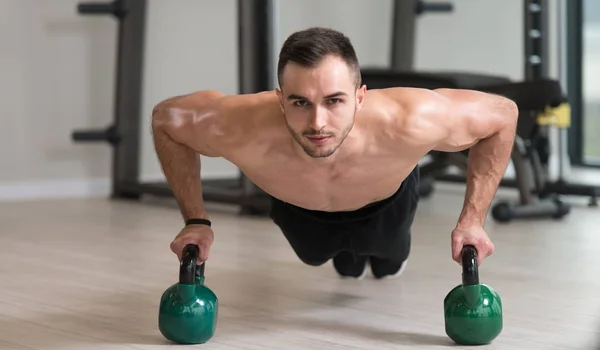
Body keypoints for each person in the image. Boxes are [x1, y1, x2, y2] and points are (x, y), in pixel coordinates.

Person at [151, 27, 518, 279]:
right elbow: (167, 119)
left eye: (334, 101)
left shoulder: (410, 119)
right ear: (279, 100)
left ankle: (380, 258)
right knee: (320, 258)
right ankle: (346, 259)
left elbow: (502, 116)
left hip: (385, 203)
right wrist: (195, 220)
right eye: (300, 102)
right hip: (300, 211)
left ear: (360, 96)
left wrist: (472, 219)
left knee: (388, 261)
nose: (317, 122)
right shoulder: (241, 125)